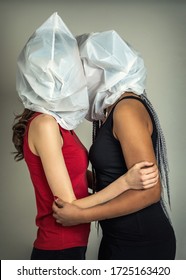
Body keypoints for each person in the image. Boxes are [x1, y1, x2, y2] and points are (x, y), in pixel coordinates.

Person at [12, 15, 158, 260]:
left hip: (73, 243)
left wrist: (105, 180)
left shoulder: (58, 124)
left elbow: (74, 176)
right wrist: (125, 182)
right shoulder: (46, 124)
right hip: (58, 245)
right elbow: (67, 204)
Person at [53, 30, 176, 260]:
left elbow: (149, 192)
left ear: (100, 71)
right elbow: (114, 177)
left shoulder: (126, 109)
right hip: (117, 238)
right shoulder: (110, 111)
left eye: (80, 73)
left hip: (141, 243)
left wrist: (82, 215)